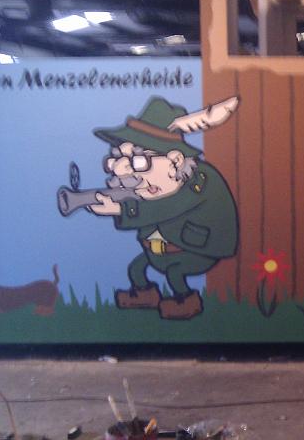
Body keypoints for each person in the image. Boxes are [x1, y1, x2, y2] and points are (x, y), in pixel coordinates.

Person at [89, 96, 238, 320]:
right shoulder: (151, 186)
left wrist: (120, 210)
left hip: (195, 251)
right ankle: (144, 295)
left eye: (139, 161)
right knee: (136, 268)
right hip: (159, 251)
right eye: (117, 158)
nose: (121, 170)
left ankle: (186, 301)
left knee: (175, 274)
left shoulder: (201, 181)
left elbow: (168, 206)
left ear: (176, 161)